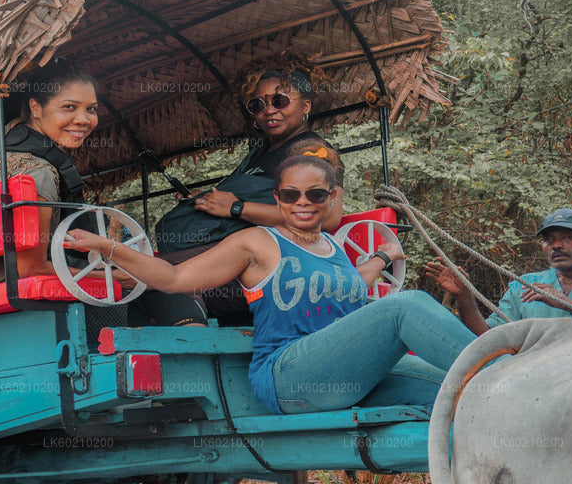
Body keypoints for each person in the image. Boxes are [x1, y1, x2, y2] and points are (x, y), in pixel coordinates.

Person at [66, 155, 478, 414]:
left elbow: (355, 284)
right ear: (278, 198)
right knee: (406, 306)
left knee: (464, 389)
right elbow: (175, 278)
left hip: (344, 375)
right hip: (289, 375)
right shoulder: (257, 242)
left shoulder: (333, 247)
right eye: (290, 194)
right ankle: (506, 361)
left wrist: (386, 256)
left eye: (315, 194)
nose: (302, 202)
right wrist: (109, 247)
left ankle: (512, 382)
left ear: (332, 198)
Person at [0, 61, 204, 327]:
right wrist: (118, 277)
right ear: (36, 108)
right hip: (6, 292)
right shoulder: (36, 171)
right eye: (69, 107)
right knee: (161, 289)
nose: (84, 120)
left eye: (91, 109)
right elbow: (30, 269)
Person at [155, 59, 345, 324]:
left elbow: (329, 218)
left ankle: (193, 345)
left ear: (305, 106)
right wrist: (206, 200)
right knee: (150, 274)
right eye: (258, 105)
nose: (269, 111)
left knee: (159, 276)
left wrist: (236, 207)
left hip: (277, 262)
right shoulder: (259, 154)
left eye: (280, 101)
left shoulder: (310, 151)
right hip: (237, 249)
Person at [424, 208, 572, 336]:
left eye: (568, 238)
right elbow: (488, 337)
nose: (556, 246)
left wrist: (568, 305)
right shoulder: (524, 285)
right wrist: (464, 296)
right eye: (548, 241)